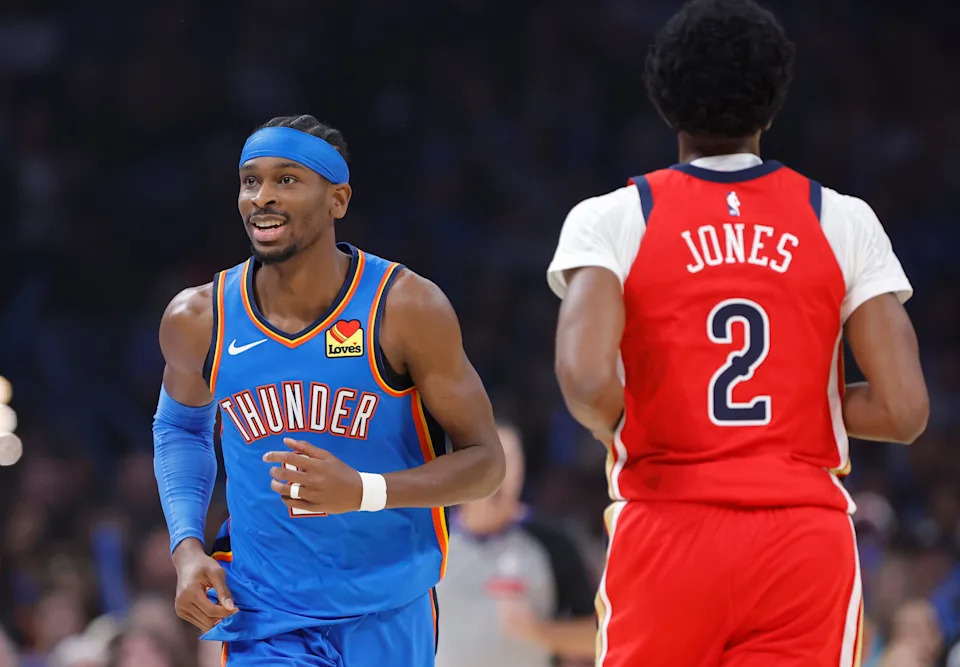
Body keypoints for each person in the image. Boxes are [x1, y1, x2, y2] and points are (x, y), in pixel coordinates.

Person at [547, 0, 929, 665]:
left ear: (665, 102)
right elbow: (903, 410)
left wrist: (673, 411)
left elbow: (584, 380)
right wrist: (793, 404)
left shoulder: (612, 216)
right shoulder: (841, 218)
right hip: (802, 541)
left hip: (669, 526)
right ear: (772, 104)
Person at [153, 114, 505, 666]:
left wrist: (363, 491)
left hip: (390, 605)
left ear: (337, 199)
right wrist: (186, 547)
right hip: (264, 614)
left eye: (287, 180)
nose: (261, 197)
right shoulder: (200, 316)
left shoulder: (405, 308)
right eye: (250, 181)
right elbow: (179, 427)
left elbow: (486, 464)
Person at [435, 423, 597, 667]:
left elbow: (599, 636)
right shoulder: (433, 538)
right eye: (491, 456)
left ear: (522, 471)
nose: (501, 471)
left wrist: (539, 632)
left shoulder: (554, 542)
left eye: (509, 458)